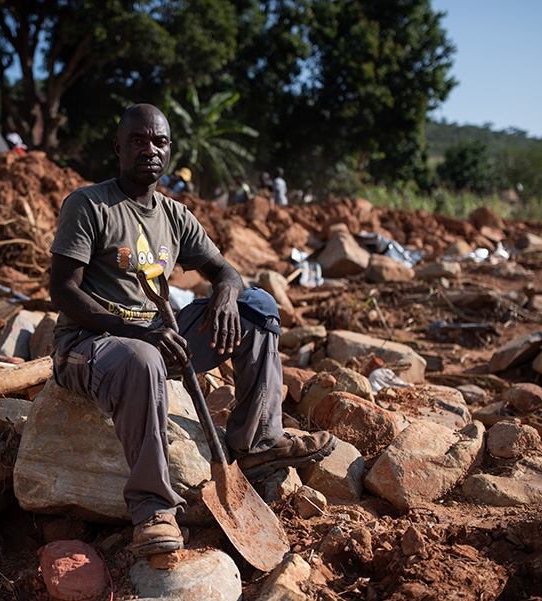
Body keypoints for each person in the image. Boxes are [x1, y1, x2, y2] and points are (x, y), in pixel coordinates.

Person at [48, 104, 336, 557]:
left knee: (257, 306)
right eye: (138, 141)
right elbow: (62, 290)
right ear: (118, 147)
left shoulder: (175, 215)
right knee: (142, 358)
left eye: (159, 142)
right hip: (90, 344)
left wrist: (224, 296)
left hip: (156, 336)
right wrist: (133, 331)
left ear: (169, 150)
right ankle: (153, 509)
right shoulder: (89, 205)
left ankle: (257, 441)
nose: (150, 150)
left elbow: (226, 271)